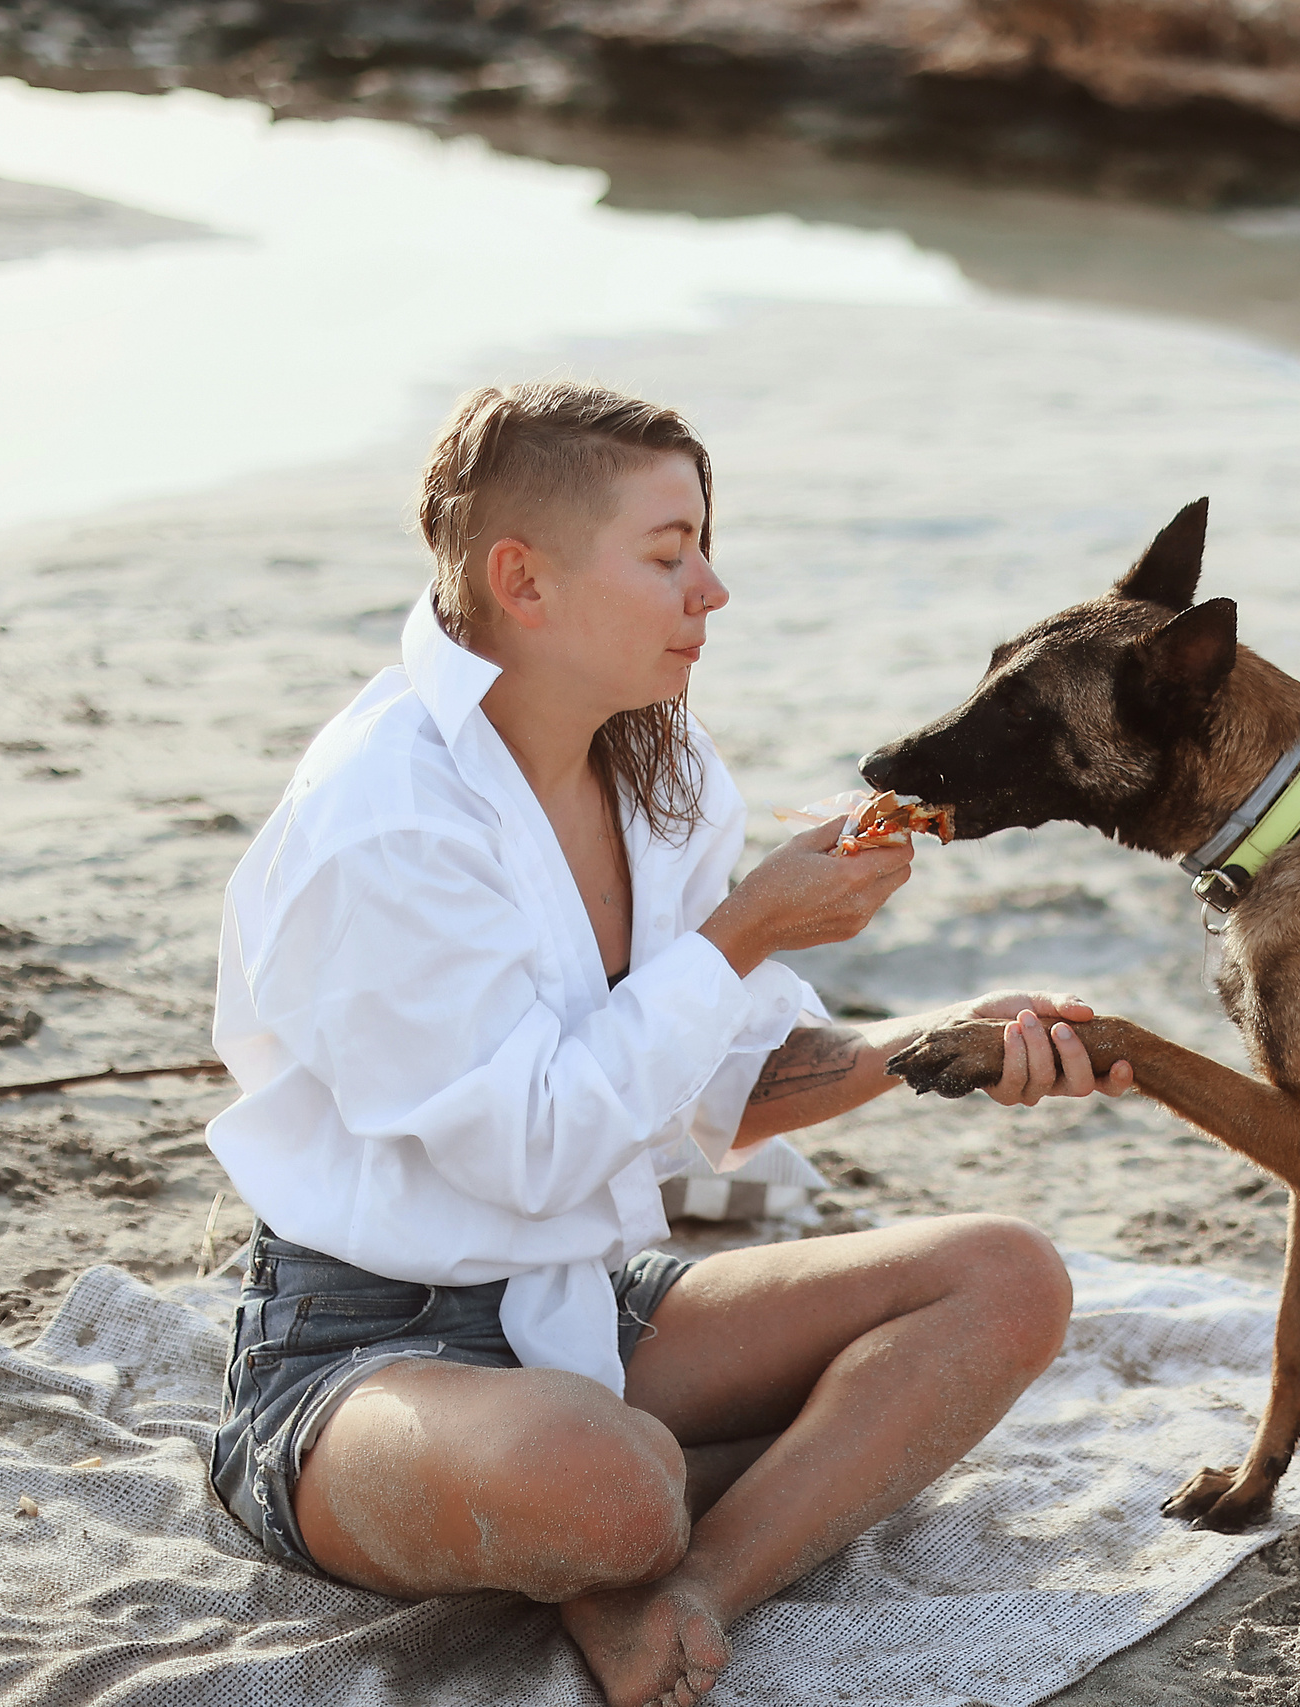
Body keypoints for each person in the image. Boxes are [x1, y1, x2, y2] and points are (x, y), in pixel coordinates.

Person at [204, 381, 1133, 1707]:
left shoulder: (661, 767)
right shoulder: (385, 821)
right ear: (522, 579)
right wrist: (749, 927)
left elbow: (721, 1087)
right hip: (367, 1351)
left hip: (588, 1304)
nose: (713, 590)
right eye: (668, 553)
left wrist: (943, 1038)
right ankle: (658, 1508)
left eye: (705, 544)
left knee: (1006, 1278)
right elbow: (533, 1151)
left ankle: (696, 1589)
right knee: (607, 1489)